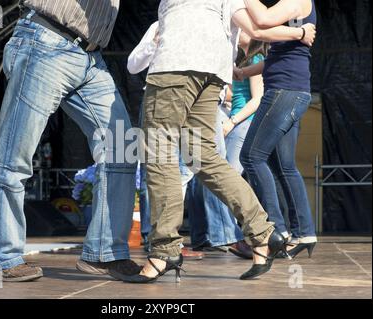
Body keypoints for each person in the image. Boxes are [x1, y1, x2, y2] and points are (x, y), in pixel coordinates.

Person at [109, 0, 316, 283]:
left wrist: (297, 34)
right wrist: (299, 34)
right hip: (213, 71)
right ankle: (263, 232)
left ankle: (164, 251)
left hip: (177, 62)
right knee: (204, 156)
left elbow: (257, 25)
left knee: (160, 154)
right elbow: (254, 26)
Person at [0, 0, 141, 282]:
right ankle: (0, 259)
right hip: (46, 41)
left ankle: (104, 254)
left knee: (121, 148)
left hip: (90, 58)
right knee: (13, 159)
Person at [240, 0, 318, 258]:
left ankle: (276, 230)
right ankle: (304, 232)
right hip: (292, 90)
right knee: (284, 166)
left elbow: (260, 23)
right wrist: (244, 72)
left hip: (284, 91)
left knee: (251, 156)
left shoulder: (296, 0)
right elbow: (279, 55)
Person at [127, 22, 204, 260]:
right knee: (156, 168)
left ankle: (170, 238)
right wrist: (154, 43)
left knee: (185, 170)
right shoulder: (160, 25)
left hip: (194, 103)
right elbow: (132, 65)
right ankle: (156, 237)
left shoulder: (207, 24)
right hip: (159, 99)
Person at [189, 32, 267, 260]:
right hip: (231, 120)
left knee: (224, 176)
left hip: (243, 123)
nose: (236, 31)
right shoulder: (238, 60)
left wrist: (231, 122)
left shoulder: (256, 59)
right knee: (203, 175)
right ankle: (205, 236)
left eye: (242, 30)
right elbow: (235, 94)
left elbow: (257, 98)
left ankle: (231, 235)